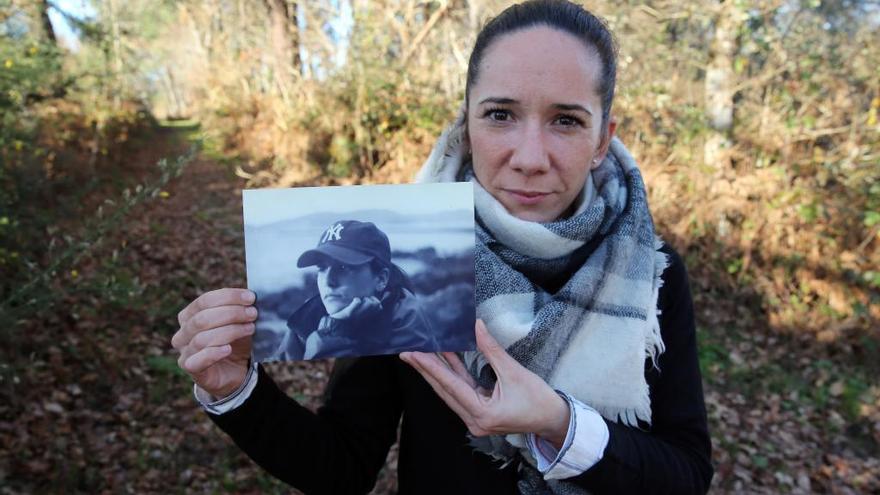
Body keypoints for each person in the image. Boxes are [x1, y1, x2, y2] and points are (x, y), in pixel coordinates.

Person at [171, 1, 714, 493]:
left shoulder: (651, 275)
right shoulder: (409, 247)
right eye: (500, 114)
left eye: (566, 121)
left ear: (601, 140)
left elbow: (686, 474)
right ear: (468, 123)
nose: (529, 157)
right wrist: (236, 390)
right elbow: (341, 466)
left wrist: (558, 423)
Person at [272, 219, 437, 361]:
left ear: (381, 279)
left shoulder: (407, 325)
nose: (329, 282)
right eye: (322, 268)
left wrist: (333, 332)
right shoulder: (309, 314)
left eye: (344, 267)